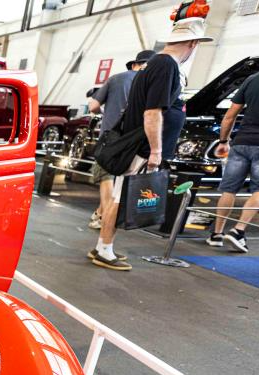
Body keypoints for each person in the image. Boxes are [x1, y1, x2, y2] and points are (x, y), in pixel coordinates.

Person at [91, 18, 212, 271]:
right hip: (141, 145)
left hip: (137, 143)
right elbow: (152, 112)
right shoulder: (166, 66)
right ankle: (104, 250)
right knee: (120, 198)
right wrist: (156, 151)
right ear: (192, 43)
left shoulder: (158, 64)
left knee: (118, 196)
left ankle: (104, 246)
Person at [86, 50, 155, 230]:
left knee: (105, 175)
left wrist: (104, 112)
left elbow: (93, 106)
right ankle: (100, 212)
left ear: (134, 64)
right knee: (121, 182)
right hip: (137, 142)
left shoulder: (117, 79)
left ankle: (104, 218)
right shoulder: (153, 84)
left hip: (111, 137)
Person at [205, 69, 259, 253]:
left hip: (241, 142)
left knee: (229, 189)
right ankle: (238, 231)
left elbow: (230, 115)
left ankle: (217, 234)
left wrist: (223, 141)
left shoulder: (252, 79)